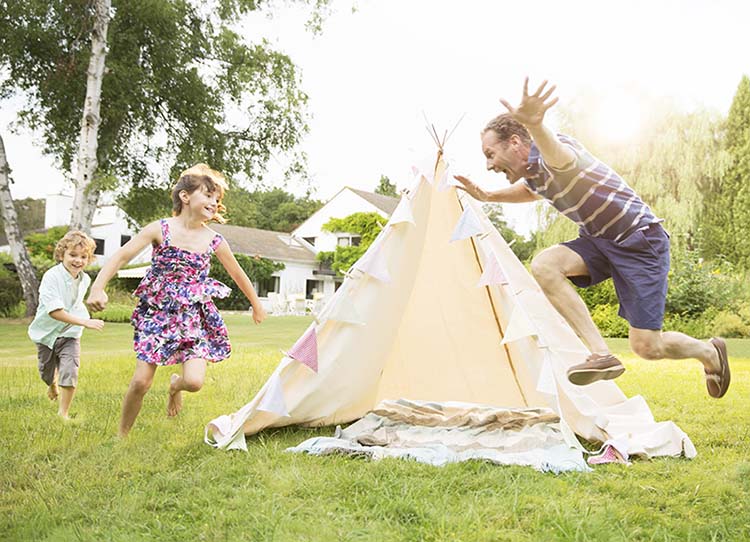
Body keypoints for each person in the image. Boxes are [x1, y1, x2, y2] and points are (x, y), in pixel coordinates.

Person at [454, 78, 730, 397]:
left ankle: (710, 353)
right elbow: (531, 191)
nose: (488, 165)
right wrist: (488, 196)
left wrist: (537, 124)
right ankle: (600, 354)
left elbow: (561, 161)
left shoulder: (556, 151)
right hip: (600, 240)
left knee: (647, 347)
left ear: (515, 142)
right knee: (545, 265)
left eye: (490, 154)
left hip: (640, 242)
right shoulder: (535, 175)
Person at [86, 163, 267, 437]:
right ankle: (121, 436)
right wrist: (98, 287)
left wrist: (256, 303)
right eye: (207, 195)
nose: (214, 203)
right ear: (185, 197)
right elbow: (121, 256)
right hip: (157, 313)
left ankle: (174, 386)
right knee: (141, 382)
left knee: (194, 382)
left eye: (217, 199)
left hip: (191, 316)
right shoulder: (160, 229)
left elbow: (238, 274)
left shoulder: (214, 240)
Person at [28, 230, 105, 419]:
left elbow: (77, 303)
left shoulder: (85, 279)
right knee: (46, 372)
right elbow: (54, 312)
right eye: (73, 255)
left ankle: (63, 413)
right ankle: (51, 384)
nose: (78, 260)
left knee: (70, 371)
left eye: (83, 256)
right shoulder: (51, 277)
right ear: (61, 254)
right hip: (47, 334)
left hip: (71, 334)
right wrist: (85, 321)